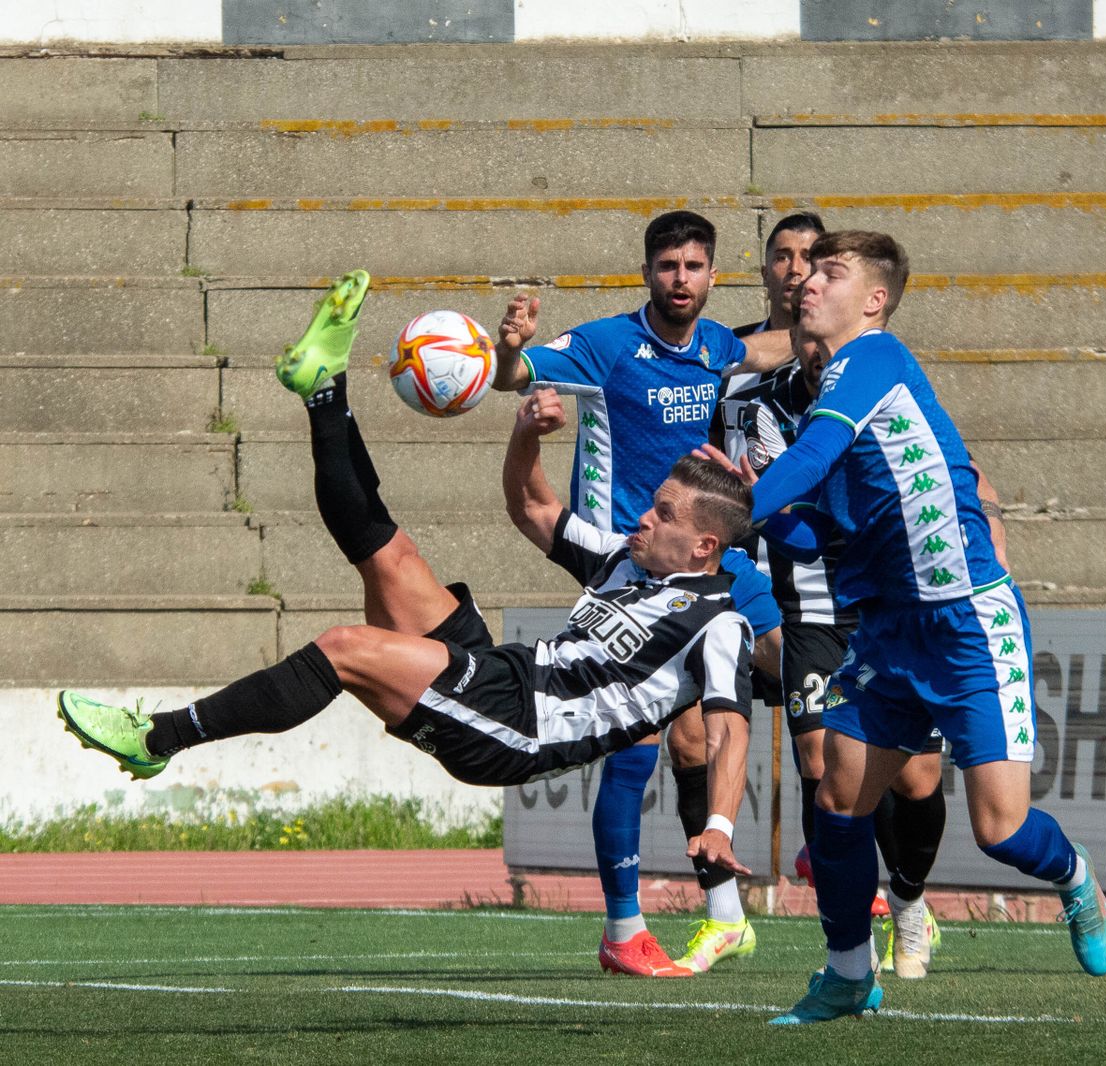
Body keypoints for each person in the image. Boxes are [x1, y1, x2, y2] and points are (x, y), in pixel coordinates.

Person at [55, 275, 758, 935]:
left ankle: (157, 739)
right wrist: (525, 433)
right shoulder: (626, 562)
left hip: (518, 728)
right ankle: (323, 386)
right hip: (505, 675)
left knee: (345, 649)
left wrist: (720, 826)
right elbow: (532, 507)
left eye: (663, 514)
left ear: (704, 546)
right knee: (389, 558)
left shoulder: (717, 622)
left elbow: (729, 731)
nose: (645, 517)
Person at [698, 230, 1106, 1025]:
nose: (807, 282)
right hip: (888, 632)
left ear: (874, 300)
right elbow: (817, 534)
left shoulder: (876, 359)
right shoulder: (832, 399)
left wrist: (731, 510)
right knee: (838, 802)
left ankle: (1074, 877)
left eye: (830, 272)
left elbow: (811, 459)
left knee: (1001, 830)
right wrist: (760, 514)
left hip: (966, 624)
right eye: (806, 271)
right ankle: (849, 975)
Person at [489, 211, 784, 976]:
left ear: (712, 275)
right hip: (629, 562)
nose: (680, 279)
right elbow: (513, 377)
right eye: (668, 266)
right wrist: (510, 349)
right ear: (647, 272)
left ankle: (742, 912)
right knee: (641, 743)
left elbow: (772, 347)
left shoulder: (716, 345)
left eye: (694, 266)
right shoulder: (607, 346)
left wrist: (850, 331)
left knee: (800, 680)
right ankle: (629, 925)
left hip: (712, 557)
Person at [714, 300, 952, 980]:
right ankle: (851, 939)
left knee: (917, 778)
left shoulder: (883, 391)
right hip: (814, 611)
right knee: (822, 767)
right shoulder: (763, 409)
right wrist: (756, 511)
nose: (818, 353)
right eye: (807, 341)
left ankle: (909, 899)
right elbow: (796, 523)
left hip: (893, 609)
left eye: (825, 341)